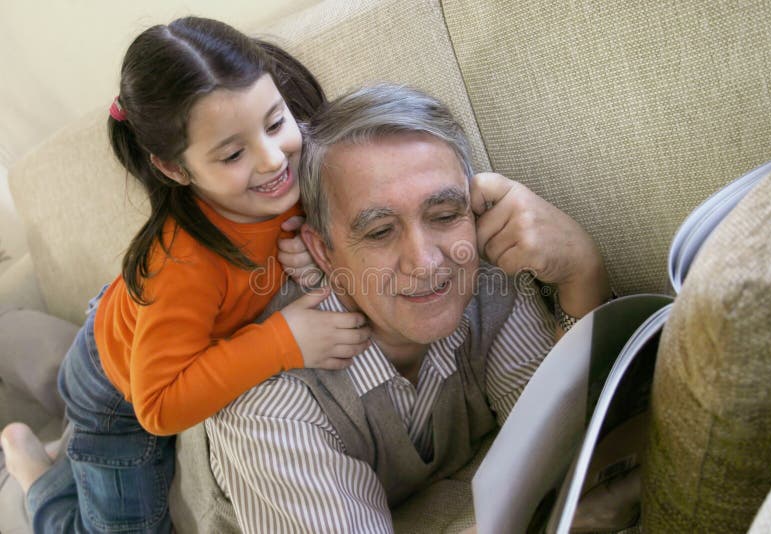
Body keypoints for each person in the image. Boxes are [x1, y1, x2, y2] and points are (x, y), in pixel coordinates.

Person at [0, 17, 371, 533]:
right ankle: (34, 476)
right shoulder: (181, 263)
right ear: (175, 169)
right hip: (119, 390)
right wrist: (285, 341)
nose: (271, 159)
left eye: (274, 122)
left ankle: (68, 446)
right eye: (233, 154)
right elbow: (158, 404)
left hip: (142, 320)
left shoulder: (298, 161)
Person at [204, 83, 612, 532]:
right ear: (324, 253)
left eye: (443, 216)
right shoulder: (272, 403)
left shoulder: (487, 282)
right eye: (380, 231)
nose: (426, 262)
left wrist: (583, 277)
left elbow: (566, 447)